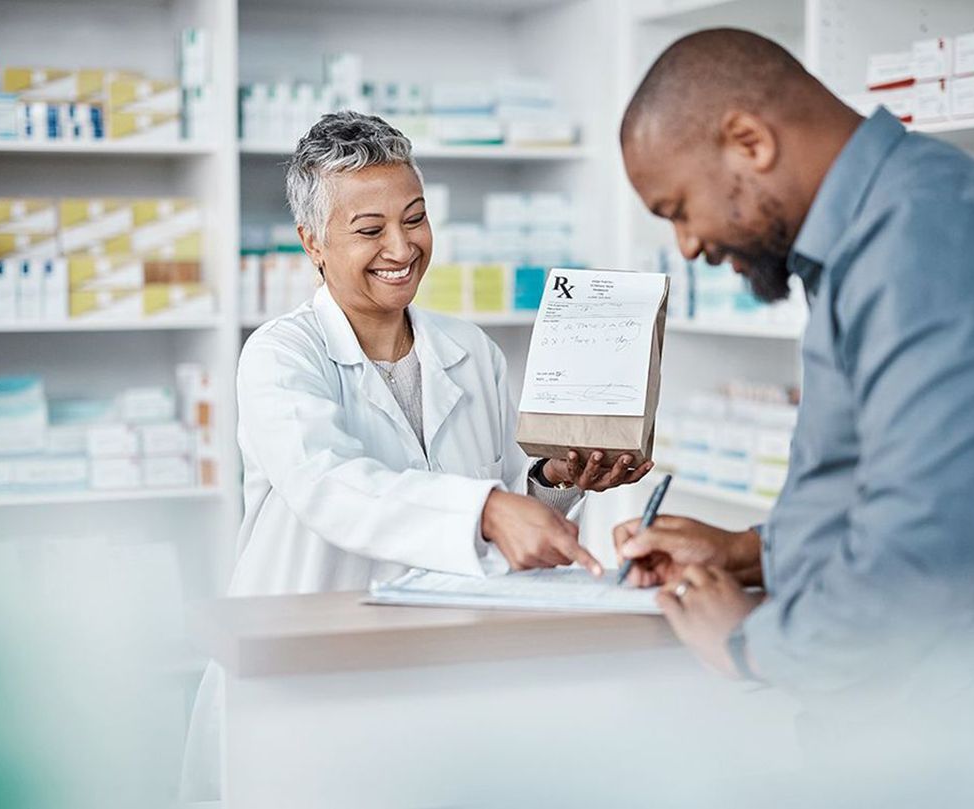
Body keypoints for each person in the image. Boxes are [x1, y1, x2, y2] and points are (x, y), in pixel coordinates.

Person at [181, 112, 650, 799]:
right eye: (369, 230)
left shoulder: (471, 351)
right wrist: (487, 510)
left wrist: (554, 479)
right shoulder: (281, 355)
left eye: (415, 218)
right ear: (313, 242)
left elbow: (498, 498)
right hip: (304, 681)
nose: (401, 247)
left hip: (440, 670)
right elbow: (331, 485)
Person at [613, 29, 974, 694]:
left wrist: (751, 644)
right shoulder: (874, 235)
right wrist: (748, 553)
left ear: (750, 142)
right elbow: (880, 480)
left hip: (973, 711)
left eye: (678, 210)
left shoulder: (922, 241)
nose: (687, 245)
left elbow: (918, 558)